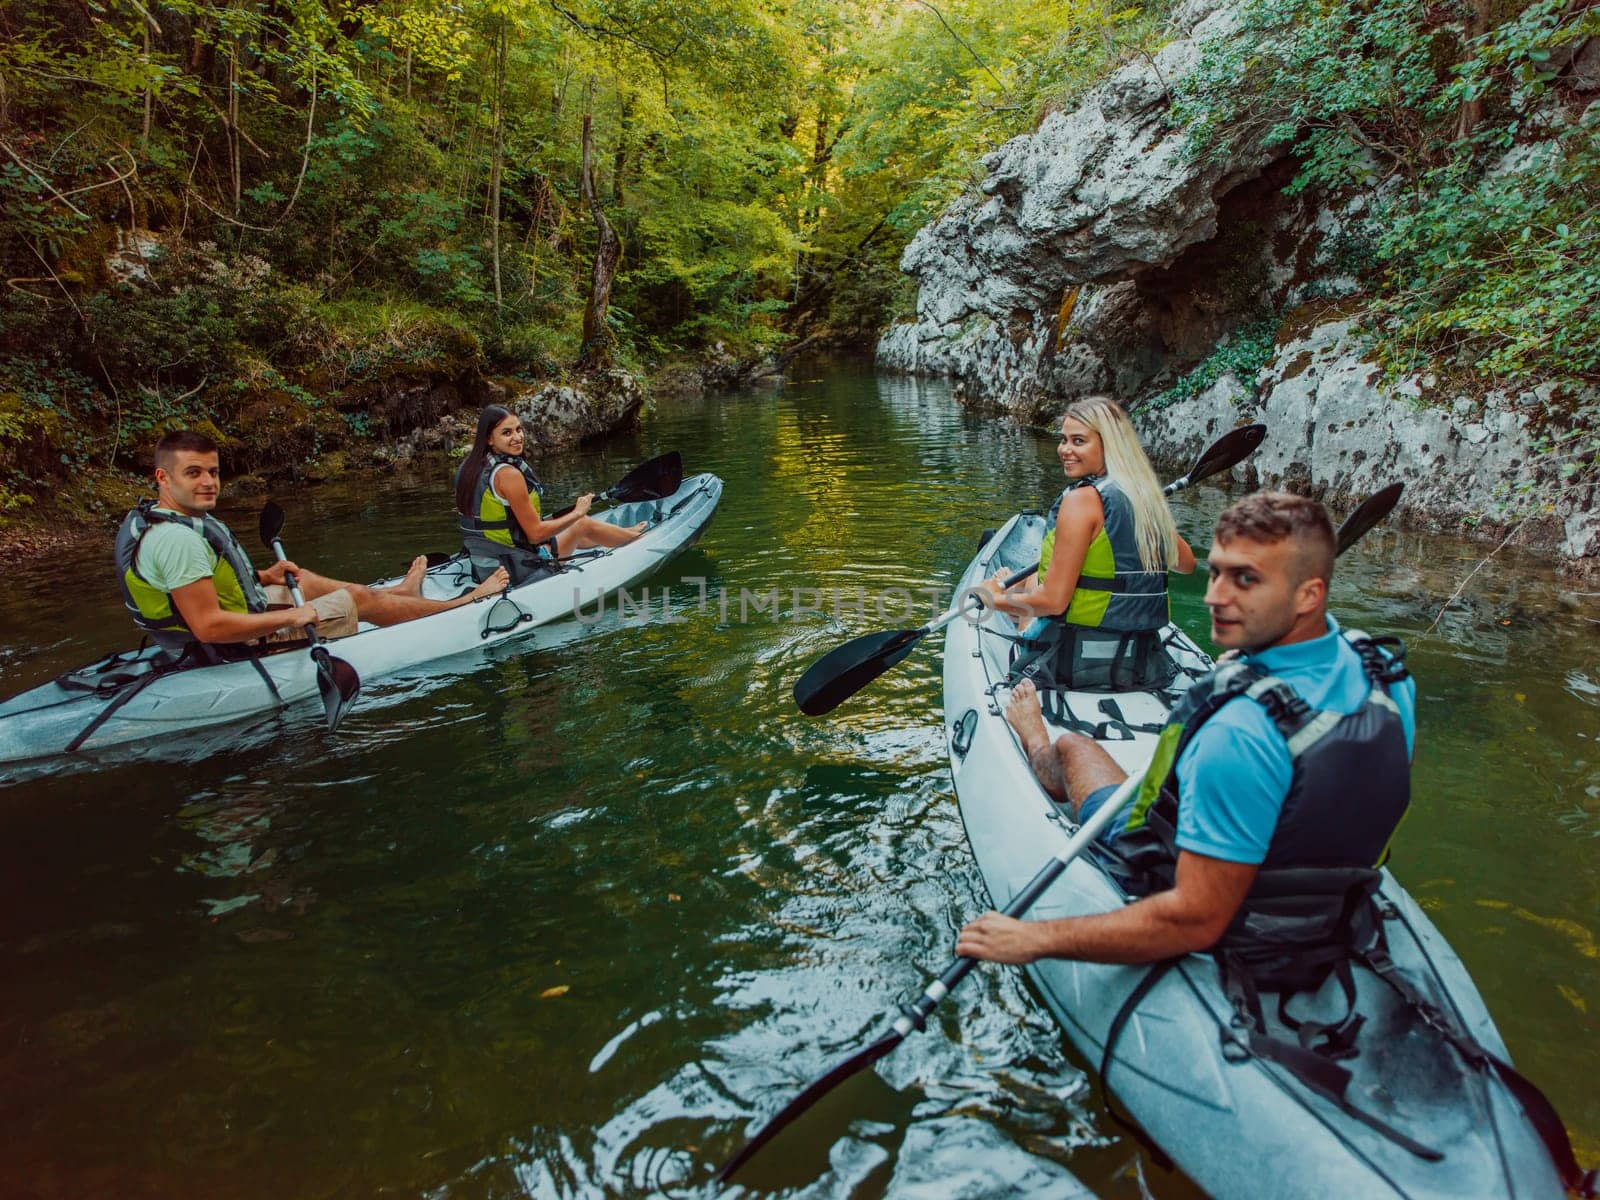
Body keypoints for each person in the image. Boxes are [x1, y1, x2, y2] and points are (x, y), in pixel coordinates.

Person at [957, 491, 1417, 967]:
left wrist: (1034, 940)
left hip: (1214, 901)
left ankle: (1032, 736)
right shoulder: (1383, 669)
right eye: (1215, 572)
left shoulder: (1236, 731)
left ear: (1308, 595)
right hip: (1328, 893)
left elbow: (1194, 921)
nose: (1215, 596)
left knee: (1072, 745)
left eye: (1245, 579)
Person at [117, 430, 509, 660]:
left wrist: (262, 575)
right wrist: (291, 618)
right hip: (227, 646)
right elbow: (209, 627)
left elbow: (196, 585)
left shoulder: (166, 518)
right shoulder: (176, 541)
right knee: (356, 601)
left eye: (213, 472)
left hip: (229, 619)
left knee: (300, 578)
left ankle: (398, 595)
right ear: (163, 478)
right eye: (193, 473)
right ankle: (459, 604)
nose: (208, 482)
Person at [979, 396, 1196, 689]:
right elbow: (1187, 565)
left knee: (1032, 591)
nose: (1065, 450)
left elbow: (1053, 602)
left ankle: (1009, 587)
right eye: (1064, 440)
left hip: (1072, 663)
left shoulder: (1081, 501)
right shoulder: (1144, 498)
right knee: (1036, 579)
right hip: (1141, 662)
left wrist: (992, 600)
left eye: (1078, 441)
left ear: (1109, 445)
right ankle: (1020, 584)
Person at [454, 405, 645, 584]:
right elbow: (536, 535)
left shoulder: (467, 468)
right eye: (507, 433)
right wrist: (578, 513)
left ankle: (627, 533)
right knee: (581, 523)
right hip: (515, 571)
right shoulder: (508, 475)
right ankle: (640, 541)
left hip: (486, 567)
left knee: (571, 531)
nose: (517, 437)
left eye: (519, 429)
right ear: (489, 439)